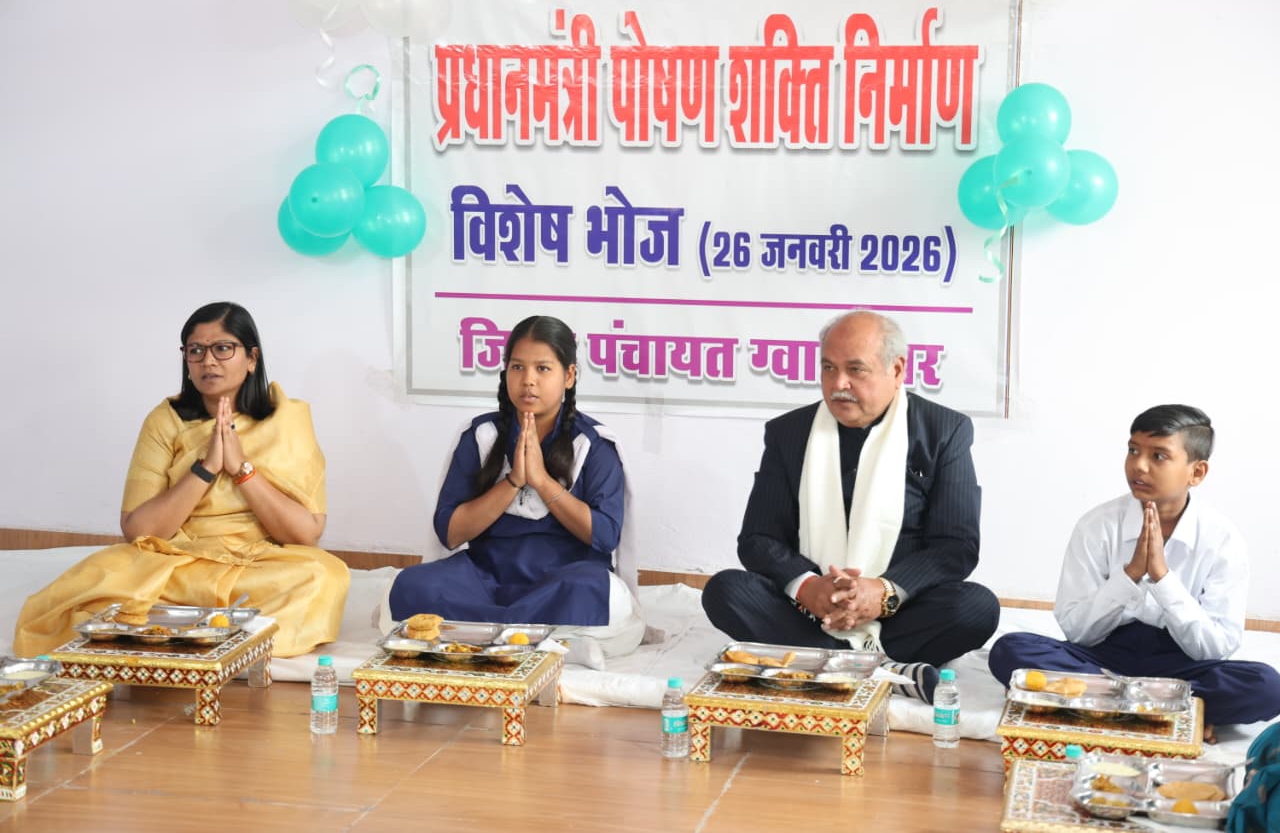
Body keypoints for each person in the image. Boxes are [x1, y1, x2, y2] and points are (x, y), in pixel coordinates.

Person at [13, 302, 350, 658]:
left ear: (252, 358)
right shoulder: (165, 420)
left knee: (323, 576)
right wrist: (206, 469)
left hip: (255, 564)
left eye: (222, 348)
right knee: (93, 580)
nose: (208, 361)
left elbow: (305, 534)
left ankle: (179, 630)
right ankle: (219, 629)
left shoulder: (286, 418)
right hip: (175, 562)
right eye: (196, 350)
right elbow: (138, 530)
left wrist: (241, 468)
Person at [702, 311, 1000, 702]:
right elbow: (758, 539)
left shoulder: (943, 432)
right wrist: (808, 587)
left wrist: (882, 592)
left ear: (897, 369)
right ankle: (884, 671)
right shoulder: (788, 433)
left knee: (976, 608)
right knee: (724, 591)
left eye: (855, 370)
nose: (838, 384)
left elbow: (955, 546)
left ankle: (821, 663)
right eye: (828, 368)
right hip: (808, 610)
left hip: (898, 612)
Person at [988, 404, 1280, 737]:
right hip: (1102, 658)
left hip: (1181, 664)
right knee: (1010, 650)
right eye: (1133, 450)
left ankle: (1098, 704)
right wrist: (1130, 575)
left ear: (1196, 473)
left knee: (1267, 687)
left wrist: (1162, 578)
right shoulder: (1097, 526)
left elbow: (1216, 647)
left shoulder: (1222, 539)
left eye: (1159, 456)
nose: (1138, 465)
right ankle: (1176, 711)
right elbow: (1078, 632)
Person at [387, 315, 643, 658]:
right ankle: (549, 640)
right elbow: (449, 532)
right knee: (412, 585)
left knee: (601, 593)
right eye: (518, 367)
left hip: (561, 582)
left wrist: (541, 481)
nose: (528, 380)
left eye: (543, 369)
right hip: (484, 579)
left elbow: (606, 535)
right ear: (505, 372)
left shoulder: (593, 444)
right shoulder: (481, 436)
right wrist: (513, 482)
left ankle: (482, 635)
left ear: (569, 376)